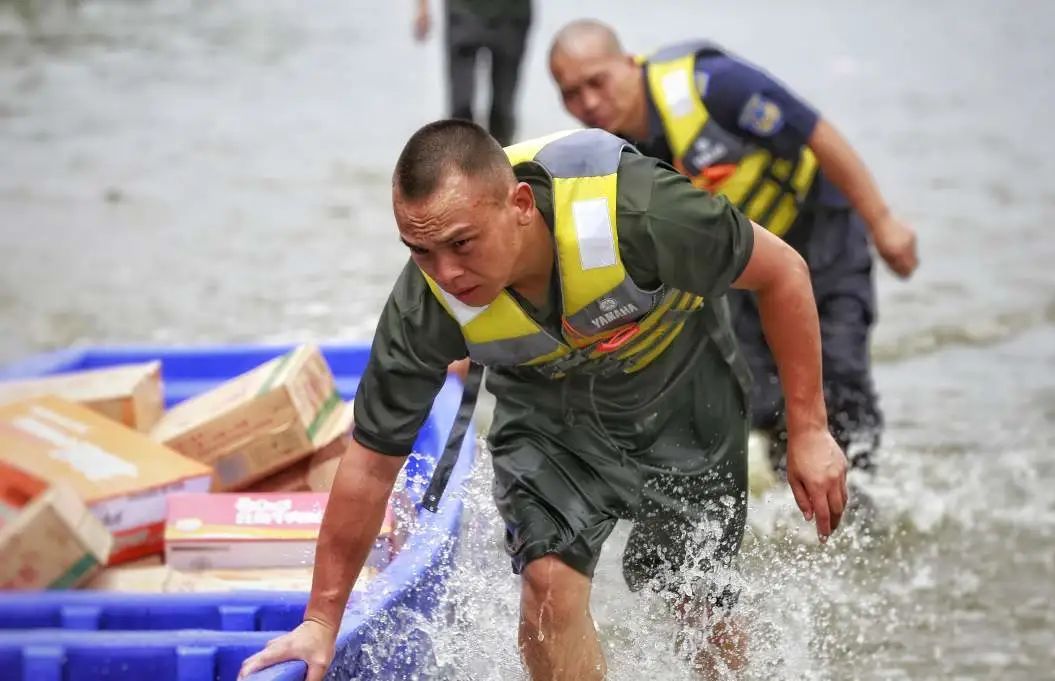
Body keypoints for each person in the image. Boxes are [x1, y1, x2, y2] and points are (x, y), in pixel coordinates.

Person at [239, 120, 847, 680]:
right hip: (548, 409)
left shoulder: (633, 207)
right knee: (547, 584)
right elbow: (371, 463)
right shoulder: (424, 304)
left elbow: (782, 272)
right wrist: (321, 621)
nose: (446, 273)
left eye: (462, 243)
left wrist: (809, 429)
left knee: (689, 592)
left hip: (682, 388)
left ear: (520, 207)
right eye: (421, 251)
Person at [548, 20, 918, 479]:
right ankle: (802, 506)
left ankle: (863, 490)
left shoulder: (711, 84)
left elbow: (816, 132)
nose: (588, 103)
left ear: (628, 63)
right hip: (744, 272)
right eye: (570, 94)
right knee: (762, 400)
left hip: (819, 234)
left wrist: (881, 221)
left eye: (596, 82)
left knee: (840, 380)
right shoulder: (612, 160)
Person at [413, 0, 533, 145]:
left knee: (502, 110)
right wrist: (423, 8)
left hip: (512, 14)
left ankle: (501, 161)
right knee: (460, 109)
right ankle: (461, 162)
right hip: (463, 12)